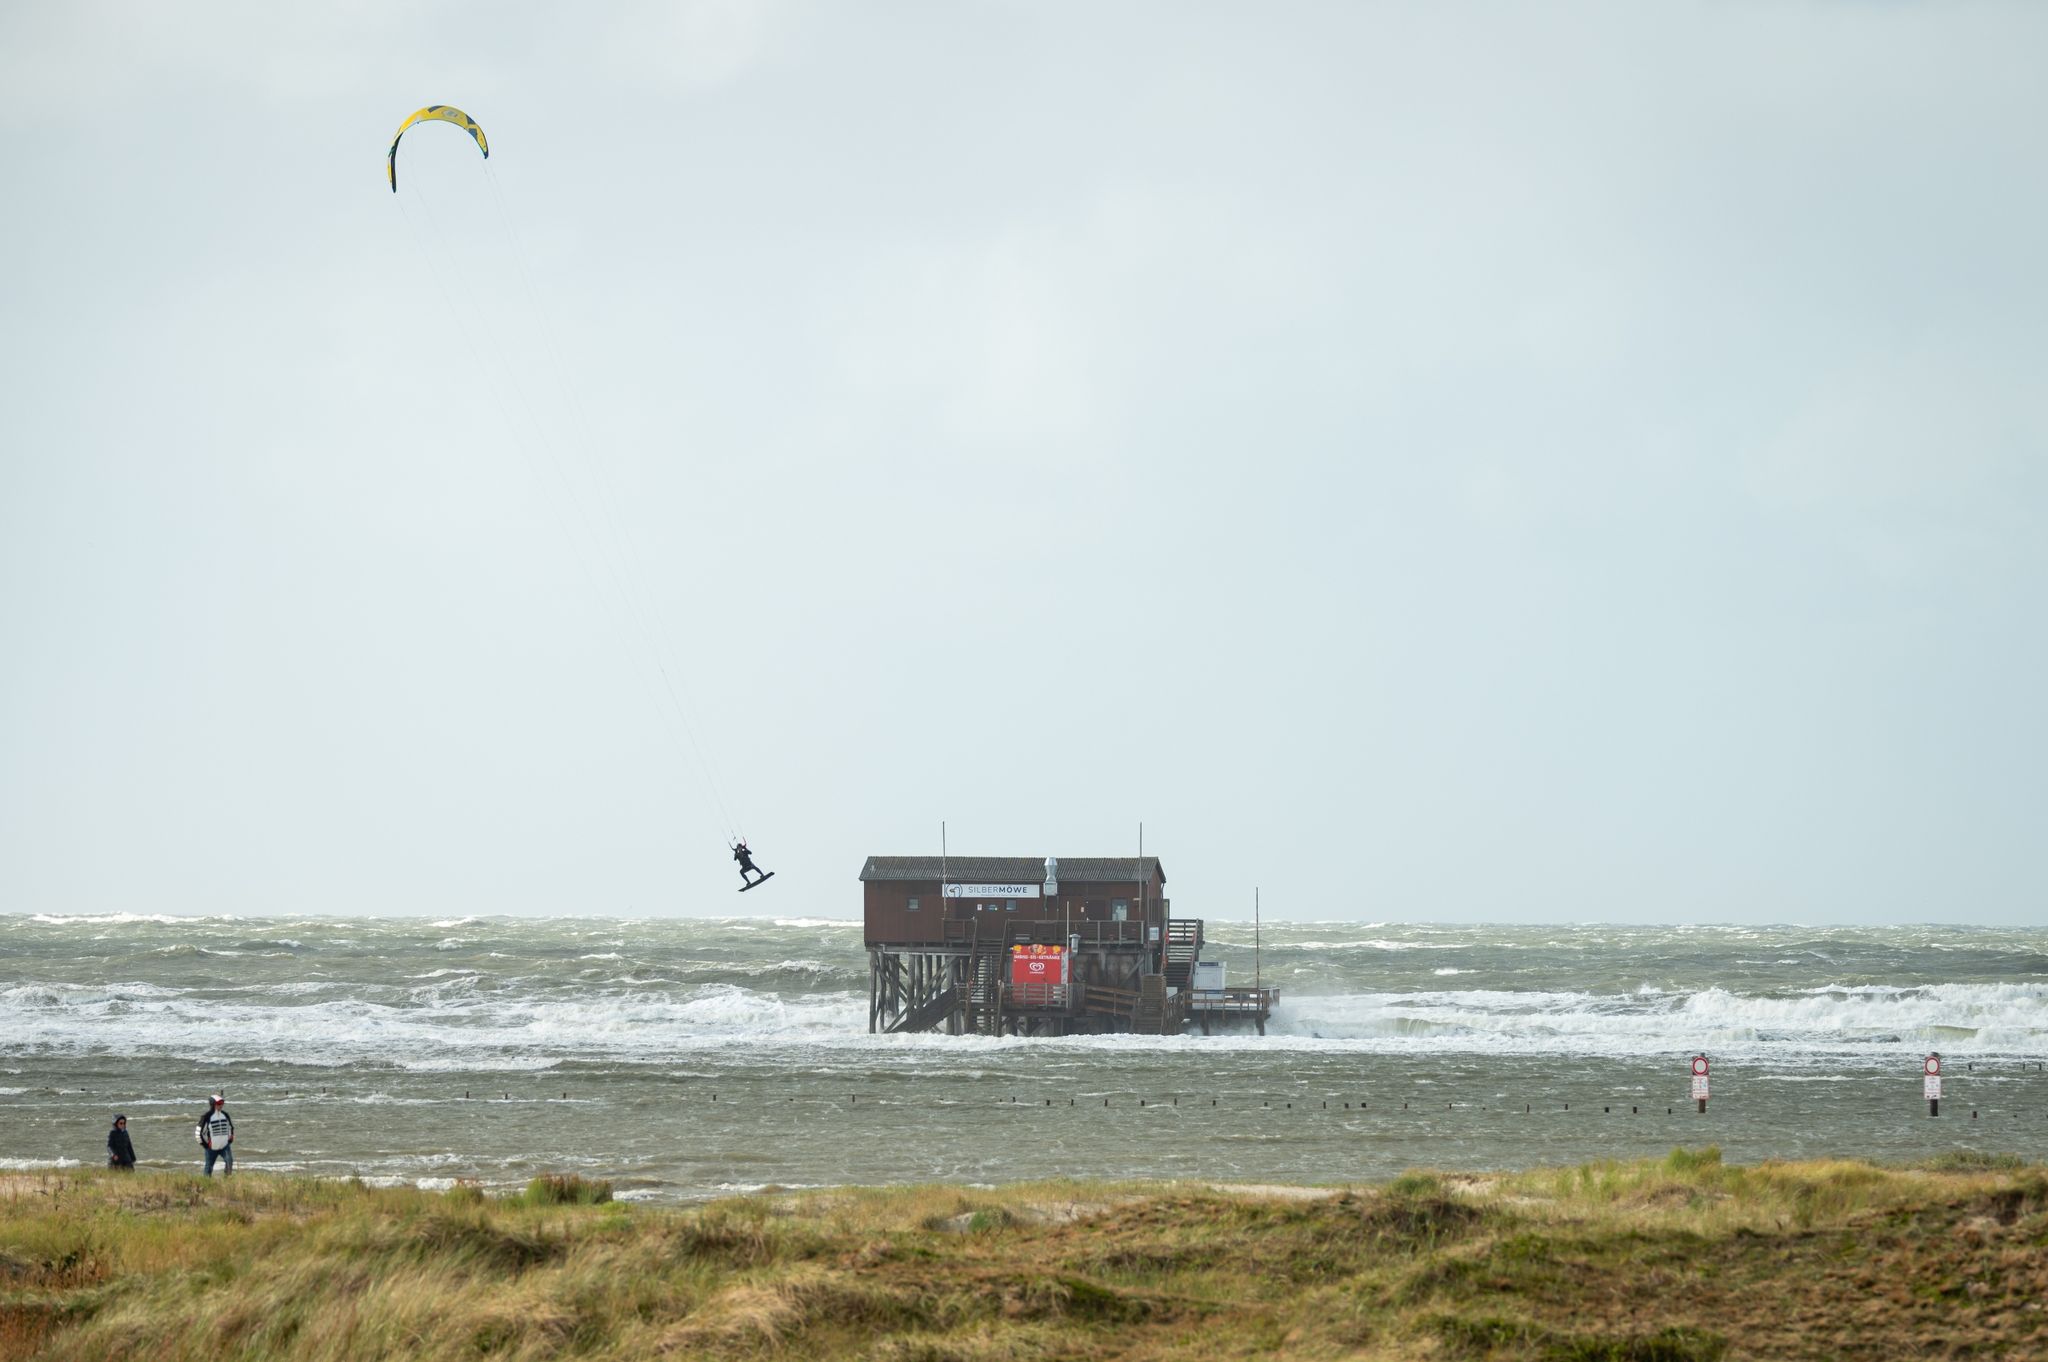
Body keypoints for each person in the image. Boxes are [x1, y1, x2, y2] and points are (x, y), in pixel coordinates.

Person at [195, 1093, 234, 1176]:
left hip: (224, 1146)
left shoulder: (225, 1115)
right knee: (208, 1168)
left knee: (229, 1162)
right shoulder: (206, 1116)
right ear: (213, 1104)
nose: (221, 1106)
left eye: (222, 1103)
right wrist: (205, 1145)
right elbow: (198, 1133)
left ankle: (227, 1180)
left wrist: (230, 1139)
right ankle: (206, 1182)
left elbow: (230, 1127)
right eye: (219, 1104)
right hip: (211, 1148)